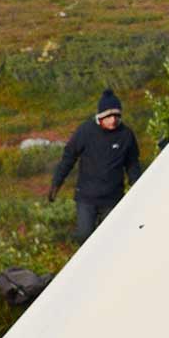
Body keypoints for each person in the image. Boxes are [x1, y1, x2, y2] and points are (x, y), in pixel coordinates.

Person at [49, 89, 144, 242]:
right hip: (87, 198)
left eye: (116, 115)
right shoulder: (85, 131)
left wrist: (138, 189)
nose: (113, 120)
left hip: (113, 199)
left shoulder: (126, 135)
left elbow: (132, 164)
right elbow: (69, 158)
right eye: (108, 116)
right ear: (100, 117)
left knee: (110, 239)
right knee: (84, 236)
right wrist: (56, 183)